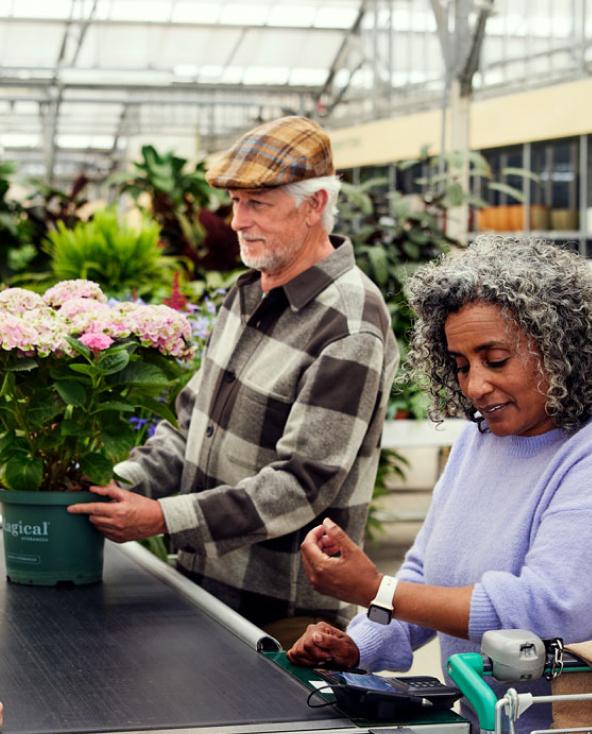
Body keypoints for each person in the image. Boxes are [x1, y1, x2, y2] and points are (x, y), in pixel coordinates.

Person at [287, 234, 592, 734]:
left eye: (495, 360)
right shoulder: (482, 439)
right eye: (460, 364)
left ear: (563, 349)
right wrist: (359, 647)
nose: (475, 386)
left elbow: (546, 610)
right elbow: (429, 572)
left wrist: (376, 589)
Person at [68, 115, 399, 648]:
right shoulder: (245, 296)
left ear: (314, 205)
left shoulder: (350, 324)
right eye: (236, 203)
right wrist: (119, 486)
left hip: (279, 617)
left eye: (258, 204)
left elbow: (301, 484)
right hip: (200, 589)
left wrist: (161, 519)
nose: (238, 220)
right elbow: (188, 427)